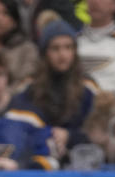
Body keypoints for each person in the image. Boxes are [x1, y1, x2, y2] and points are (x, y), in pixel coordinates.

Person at [19, 19, 98, 165]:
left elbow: (97, 134)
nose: (63, 55)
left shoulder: (88, 88)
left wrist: (69, 136)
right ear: (45, 53)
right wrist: (47, 136)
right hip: (39, 159)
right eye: (55, 49)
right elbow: (21, 128)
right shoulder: (30, 87)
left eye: (68, 48)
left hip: (81, 161)